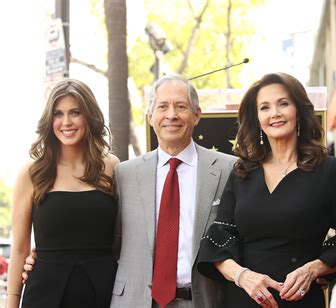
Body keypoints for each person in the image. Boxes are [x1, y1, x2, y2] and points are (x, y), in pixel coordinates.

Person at [197, 72, 336, 308]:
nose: (275, 113)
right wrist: (243, 276)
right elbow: (217, 243)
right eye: (265, 107)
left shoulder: (330, 170)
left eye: (283, 104)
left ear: (299, 111)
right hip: (242, 300)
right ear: (257, 118)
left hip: (300, 301)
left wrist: (315, 268)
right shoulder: (242, 173)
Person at [109, 74, 235, 308]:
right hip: (137, 301)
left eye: (181, 106)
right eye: (162, 107)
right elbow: (108, 241)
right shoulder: (124, 174)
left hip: (203, 301)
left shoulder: (228, 169)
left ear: (197, 115)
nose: (171, 115)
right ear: (150, 117)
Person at [7, 79, 120, 308]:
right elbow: (19, 249)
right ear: (49, 120)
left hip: (104, 292)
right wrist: (11, 303)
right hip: (44, 294)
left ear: (89, 116)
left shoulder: (112, 167)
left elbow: (125, 239)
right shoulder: (31, 173)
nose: (66, 122)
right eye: (58, 114)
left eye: (75, 112)